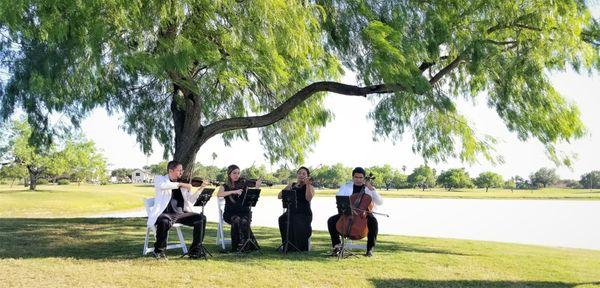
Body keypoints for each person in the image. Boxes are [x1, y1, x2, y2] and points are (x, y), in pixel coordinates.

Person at [147, 160, 209, 259]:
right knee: (163, 221)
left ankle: (195, 251)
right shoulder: (160, 179)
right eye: (179, 170)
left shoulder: (183, 183)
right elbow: (163, 186)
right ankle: (159, 251)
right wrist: (181, 184)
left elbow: (191, 200)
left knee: (201, 218)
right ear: (170, 171)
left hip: (180, 214)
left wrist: (200, 188)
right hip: (165, 213)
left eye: (182, 170)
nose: (181, 172)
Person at [327, 167, 383, 257]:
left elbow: (380, 202)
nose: (358, 179)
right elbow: (339, 199)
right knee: (331, 221)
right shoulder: (346, 187)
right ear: (353, 177)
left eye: (361, 178)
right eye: (356, 177)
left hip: (364, 214)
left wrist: (371, 188)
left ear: (364, 178)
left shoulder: (369, 188)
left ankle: (370, 249)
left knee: (373, 222)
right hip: (347, 213)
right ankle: (337, 246)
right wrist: (347, 207)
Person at [217, 164, 261, 252]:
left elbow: (252, 196)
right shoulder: (224, 186)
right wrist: (234, 191)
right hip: (230, 213)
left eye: (238, 173)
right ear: (229, 174)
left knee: (243, 221)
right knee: (236, 219)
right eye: (234, 173)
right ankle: (236, 246)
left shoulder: (244, 185)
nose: (236, 175)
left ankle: (245, 245)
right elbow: (219, 194)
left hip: (244, 212)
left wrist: (257, 187)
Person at [277, 166, 315, 252]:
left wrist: (308, 184)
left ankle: (298, 246)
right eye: (299, 173)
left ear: (307, 176)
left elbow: (309, 198)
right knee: (282, 219)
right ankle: (286, 244)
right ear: (297, 175)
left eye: (304, 174)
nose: (301, 175)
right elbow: (279, 196)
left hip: (304, 213)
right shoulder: (293, 185)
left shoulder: (309, 187)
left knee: (294, 219)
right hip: (292, 211)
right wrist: (288, 186)